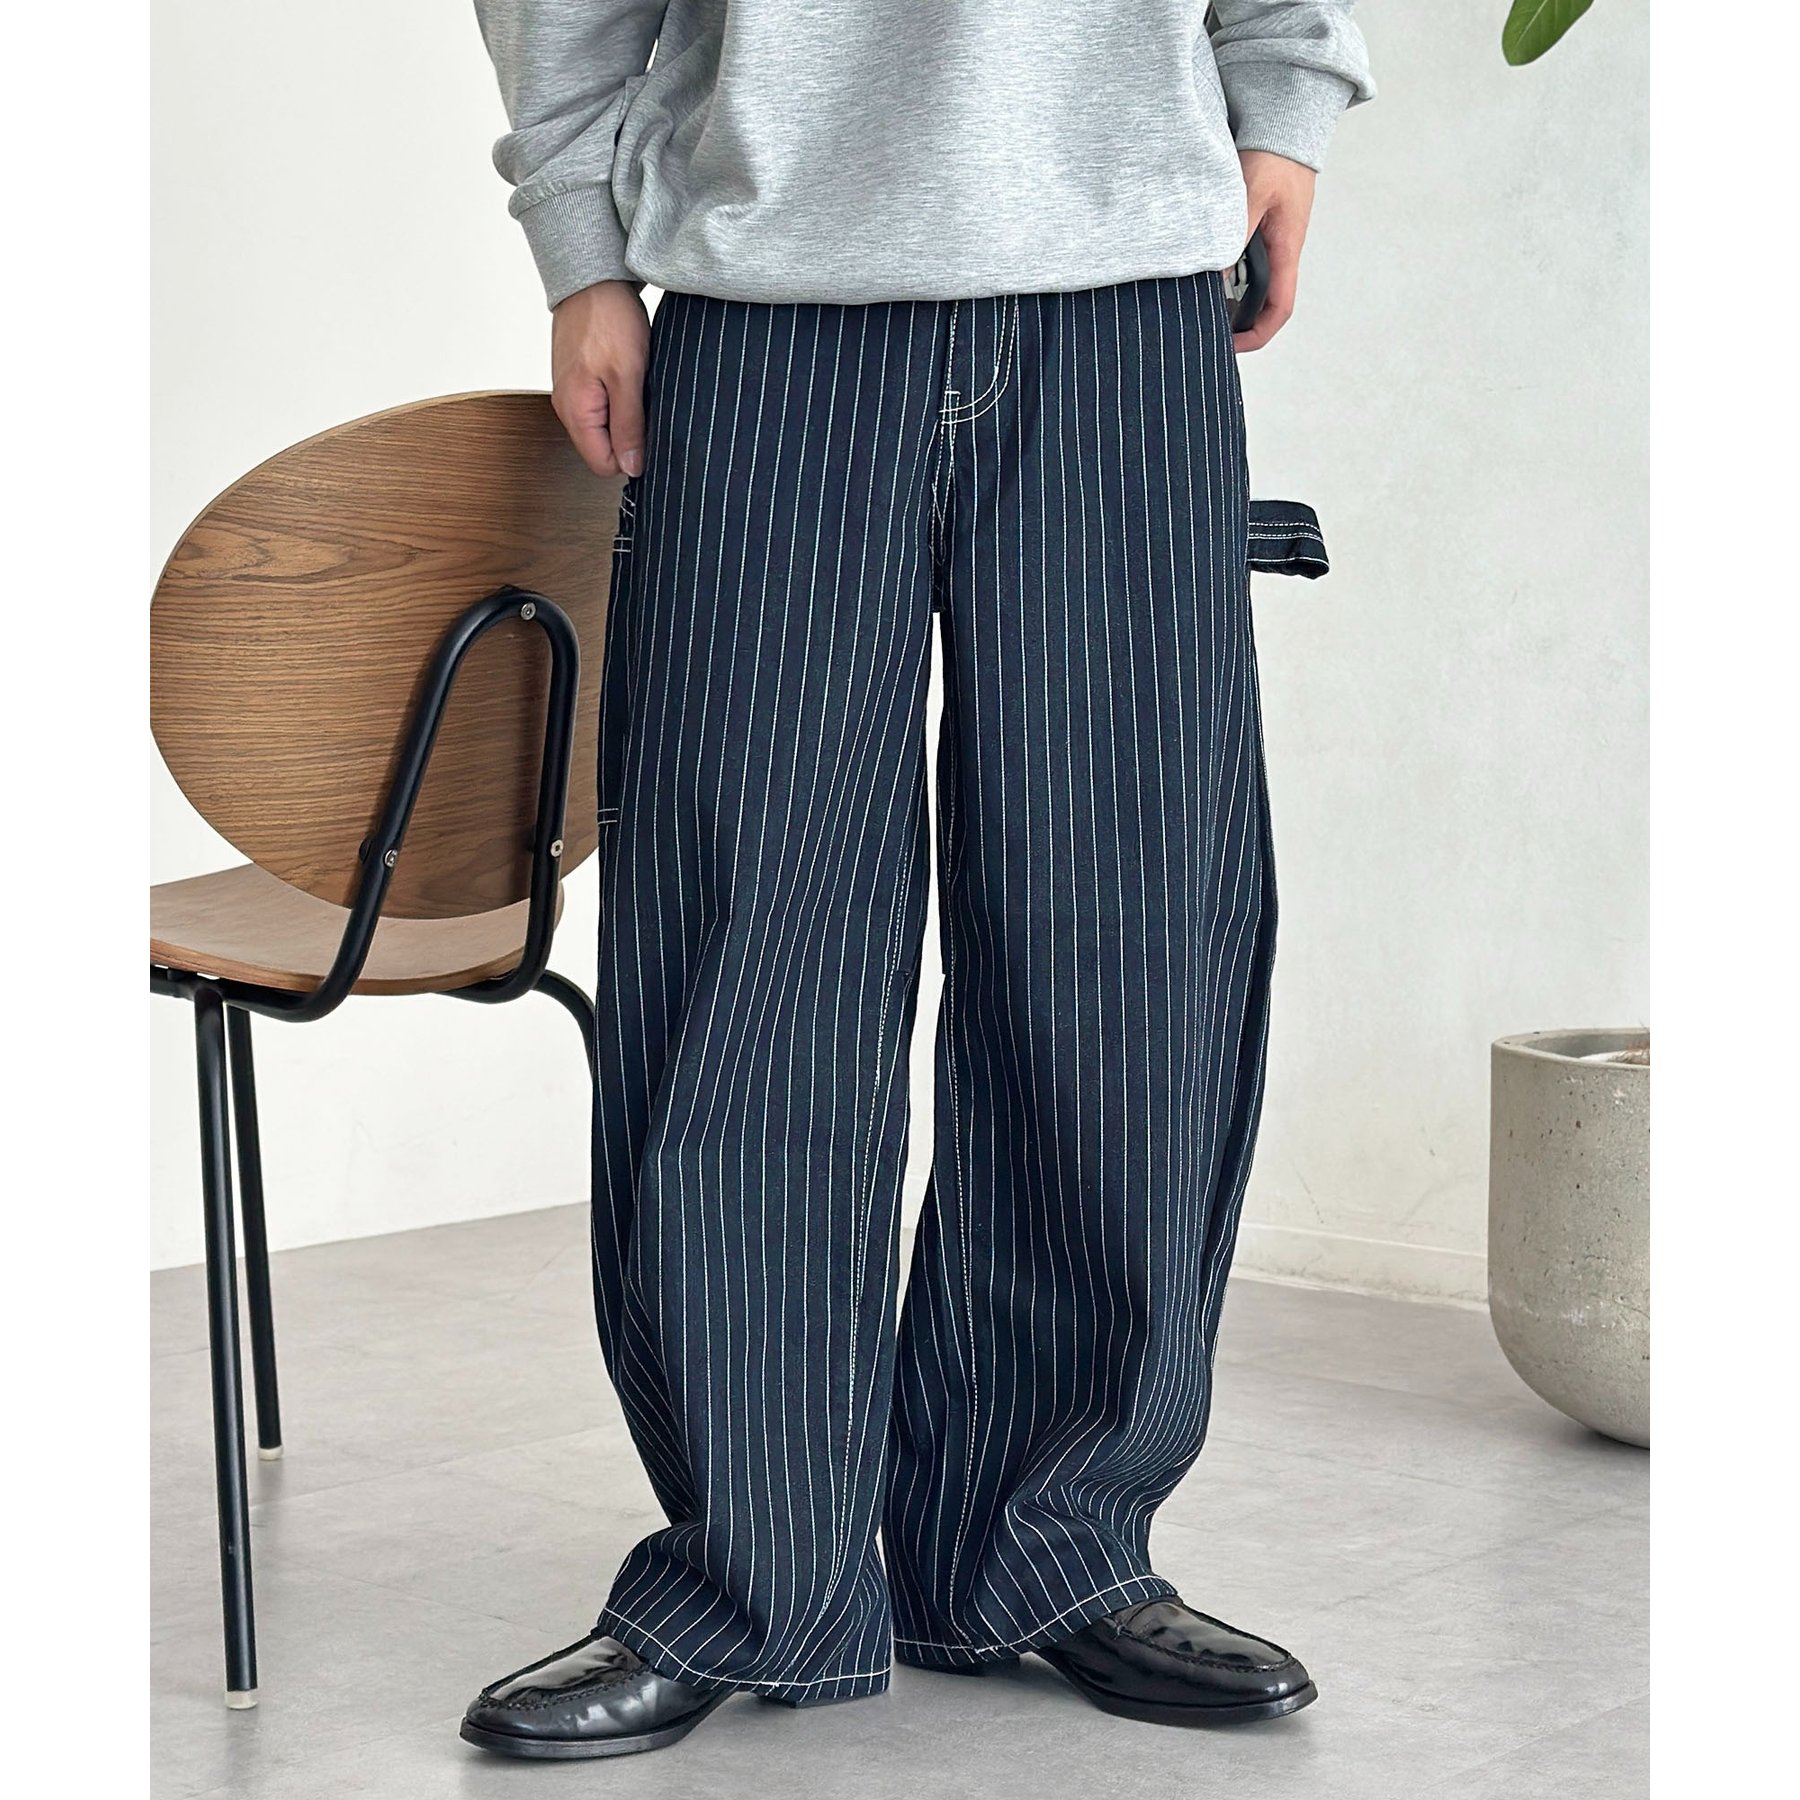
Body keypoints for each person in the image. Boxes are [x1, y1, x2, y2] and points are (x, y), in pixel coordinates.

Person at [462, 0, 1372, 1762]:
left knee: (1126, 941)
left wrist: (1283, 96)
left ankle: (1046, 1540)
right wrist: (582, 243)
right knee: (745, 946)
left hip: (1125, 298)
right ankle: (751, 1566)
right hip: (767, 304)